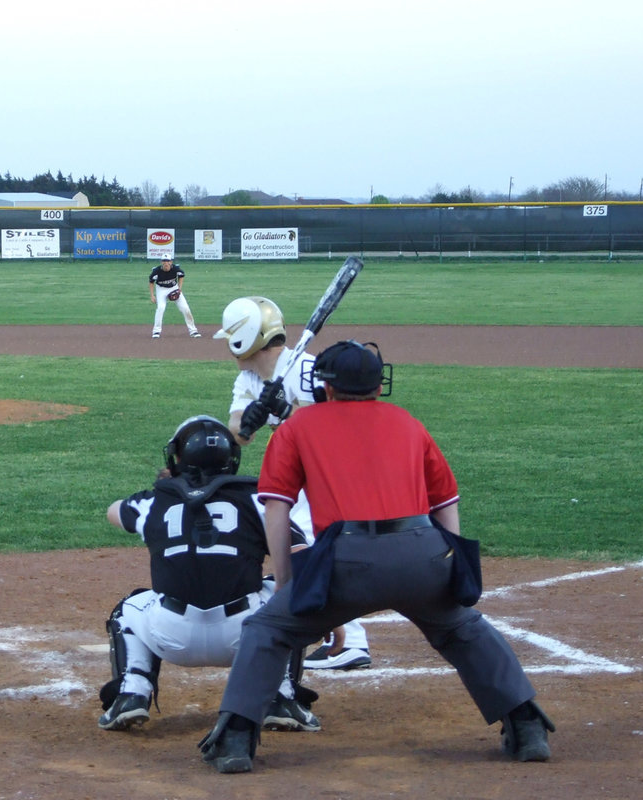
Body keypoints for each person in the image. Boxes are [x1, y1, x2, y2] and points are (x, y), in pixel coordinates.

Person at [197, 340, 555, 773]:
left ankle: (236, 739)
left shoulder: (297, 427)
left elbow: (277, 510)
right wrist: (450, 565)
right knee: (462, 628)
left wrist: (287, 582)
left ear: (325, 386)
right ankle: (527, 725)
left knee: (269, 629)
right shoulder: (407, 422)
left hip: (345, 561)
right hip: (423, 553)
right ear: (376, 383)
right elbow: (446, 502)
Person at [97, 415, 319, 735]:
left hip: (170, 636)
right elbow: (301, 557)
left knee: (130, 607)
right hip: (244, 637)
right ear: (231, 460)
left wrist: (170, 487)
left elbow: (113, 511)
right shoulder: (258, 501)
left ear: (176, 460)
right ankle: (280, 698)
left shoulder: (154, 502)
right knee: (286, 596)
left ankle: (132, 692)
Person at [214, 296, 372, 670]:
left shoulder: (308, 369)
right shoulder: (249, 377)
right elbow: (238, 432)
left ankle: (349, 641)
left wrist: (285, 410)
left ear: (247, 339)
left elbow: (336, 419)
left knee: (311, 548)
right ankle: (334, 631)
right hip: (296, 476)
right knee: (303, 545)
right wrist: (252, 417)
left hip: (330, 472)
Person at [148, 255, 201, 339]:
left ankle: (193, 330)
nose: (166, 263)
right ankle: (156, 331)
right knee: (161, 308)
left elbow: (181, 276)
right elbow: (151, 282)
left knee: (185, 308)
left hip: (173, 288)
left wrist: (179, 289)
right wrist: (152, 295)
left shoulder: (175, 269)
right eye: (164, 261)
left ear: (171, 262)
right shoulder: (156, 271)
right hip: (161, 290)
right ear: (161, 262)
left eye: (168, 261)